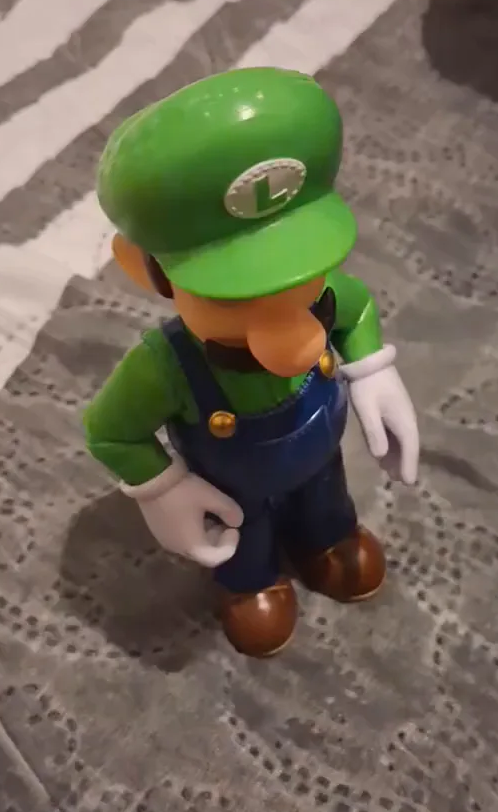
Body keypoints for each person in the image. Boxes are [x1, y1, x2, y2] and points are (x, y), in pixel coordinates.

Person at [84, 67, 419, 658]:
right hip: (233, 490)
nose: (289, 323)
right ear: (145, 269)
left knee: (326, 498)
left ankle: (327, 537)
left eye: (299, 275)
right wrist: (164, 489)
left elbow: (357, 307)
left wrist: (372, 367)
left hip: (320, 459)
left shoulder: (327, 298)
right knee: (243, 532)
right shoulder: (163, 365)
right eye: (233, 296)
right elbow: (110, 431)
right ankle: (252, 580)